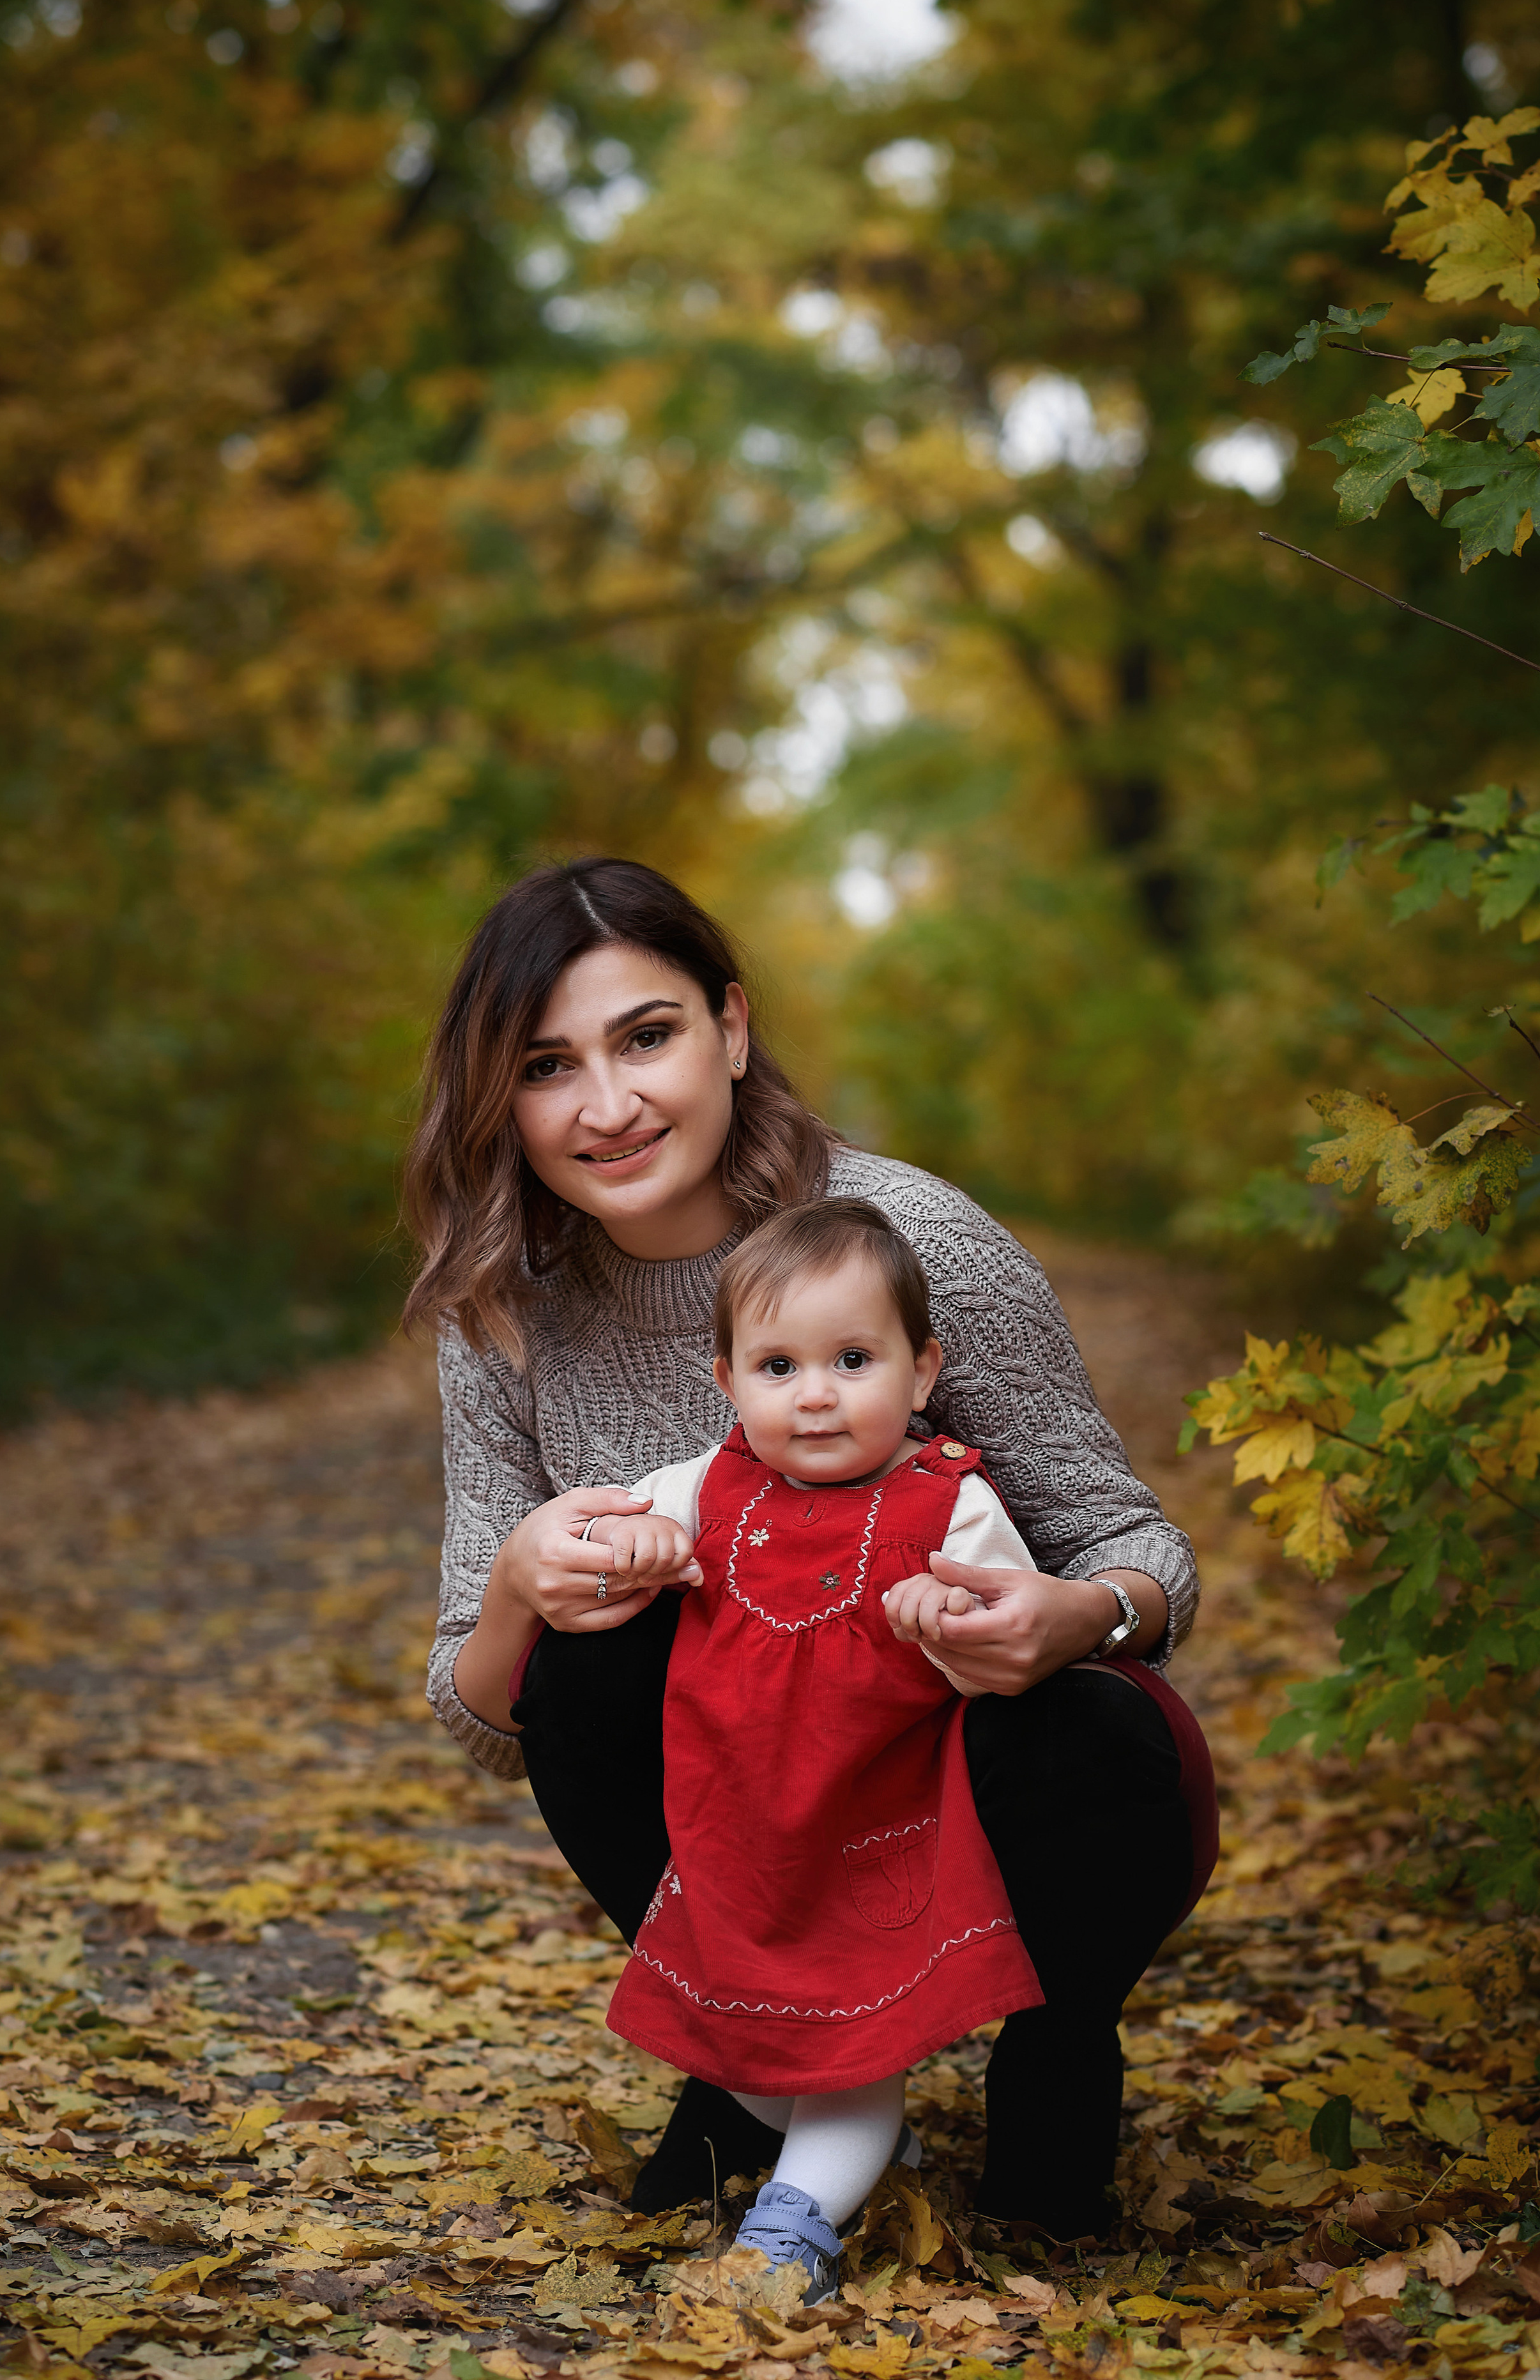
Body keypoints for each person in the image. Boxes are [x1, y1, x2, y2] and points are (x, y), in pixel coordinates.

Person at [404, 855, 1216, 2242]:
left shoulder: (914, 1243)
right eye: (547, 1066)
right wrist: (509, 1591)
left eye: (645, 1037)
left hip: (947, 1748)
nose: (606, 1107)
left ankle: (1059, 2049)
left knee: (1100, 1735)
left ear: (728, 1028)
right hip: (750, 1790)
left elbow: (1140, 1550)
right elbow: (484, 1718)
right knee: (585, 1666)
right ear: (501, 1100)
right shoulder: (505, 1310)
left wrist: (1080, 1614)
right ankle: (750, 2052)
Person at [584, 1196, 1050, 2303]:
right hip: (738, 1835)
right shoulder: (706, 1489)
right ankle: (868, 2162)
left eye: (853, 1357)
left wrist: (959, 1610)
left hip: (877, 1833)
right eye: (779, 1365)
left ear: (921, 1369)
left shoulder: (951, 1504)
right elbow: (595, 1533)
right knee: (742, 2051)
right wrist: (634, 1538)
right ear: (730, 1383)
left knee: (848, 2055)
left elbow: (1019, 1621)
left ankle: (789, 2235)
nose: (819, 1392)